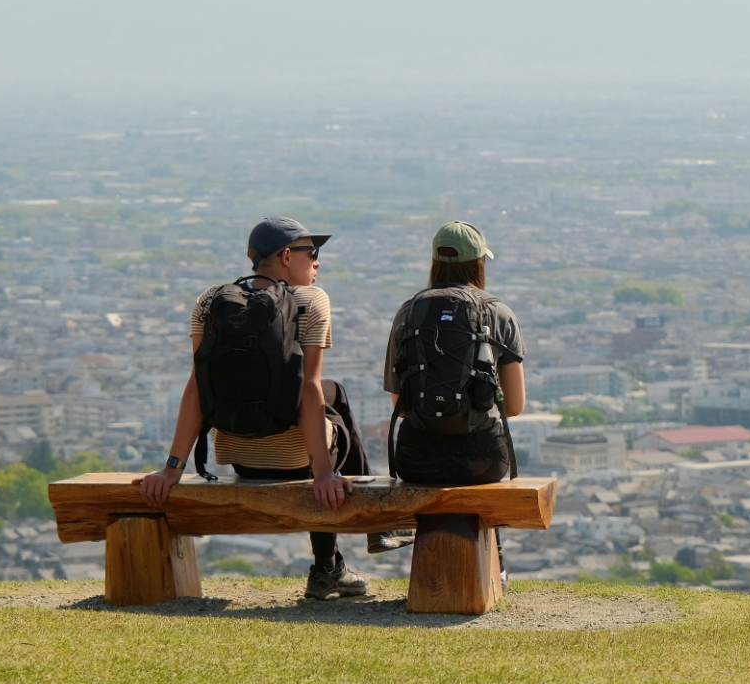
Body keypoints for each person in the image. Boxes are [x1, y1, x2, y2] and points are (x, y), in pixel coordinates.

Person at [136, 216, 403, 601]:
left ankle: (348, 553)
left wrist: (171, 468)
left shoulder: (210, 301)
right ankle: (344, 553)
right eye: (311, 252)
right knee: (329, 403)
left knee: (335, 393)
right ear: (286, 256)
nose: (317, 261)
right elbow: (308, 389)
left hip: (235, 454)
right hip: (294, 460)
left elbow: (197, 386)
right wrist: (323, 473)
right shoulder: (311, 300)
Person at [383, 220, 526, 486]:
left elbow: (400, 406)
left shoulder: (409, 312)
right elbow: (514, 406)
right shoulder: (498, 313)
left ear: (435, 261)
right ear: (479, 262)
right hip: (483, 461)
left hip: (415, 460)